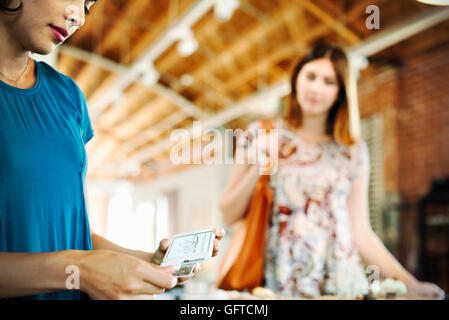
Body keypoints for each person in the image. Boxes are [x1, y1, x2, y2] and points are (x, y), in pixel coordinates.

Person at [0, 0, 224, 300]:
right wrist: (80, 271)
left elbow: (70, 229)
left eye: (87, 4)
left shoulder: (67, 96)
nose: (78, 17)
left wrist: (147, 261)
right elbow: (75, 260)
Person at [219, 43, 445, 299]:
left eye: (329, 81)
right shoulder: (261, 134)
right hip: (279, 283)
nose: (316, 88)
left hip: (340, 284)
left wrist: (409, 283)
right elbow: (228, 213)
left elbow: (360, 231)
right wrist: (259, 164)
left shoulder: (352, 150)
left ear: (340, 92)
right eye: (311, 76)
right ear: (296, 80)